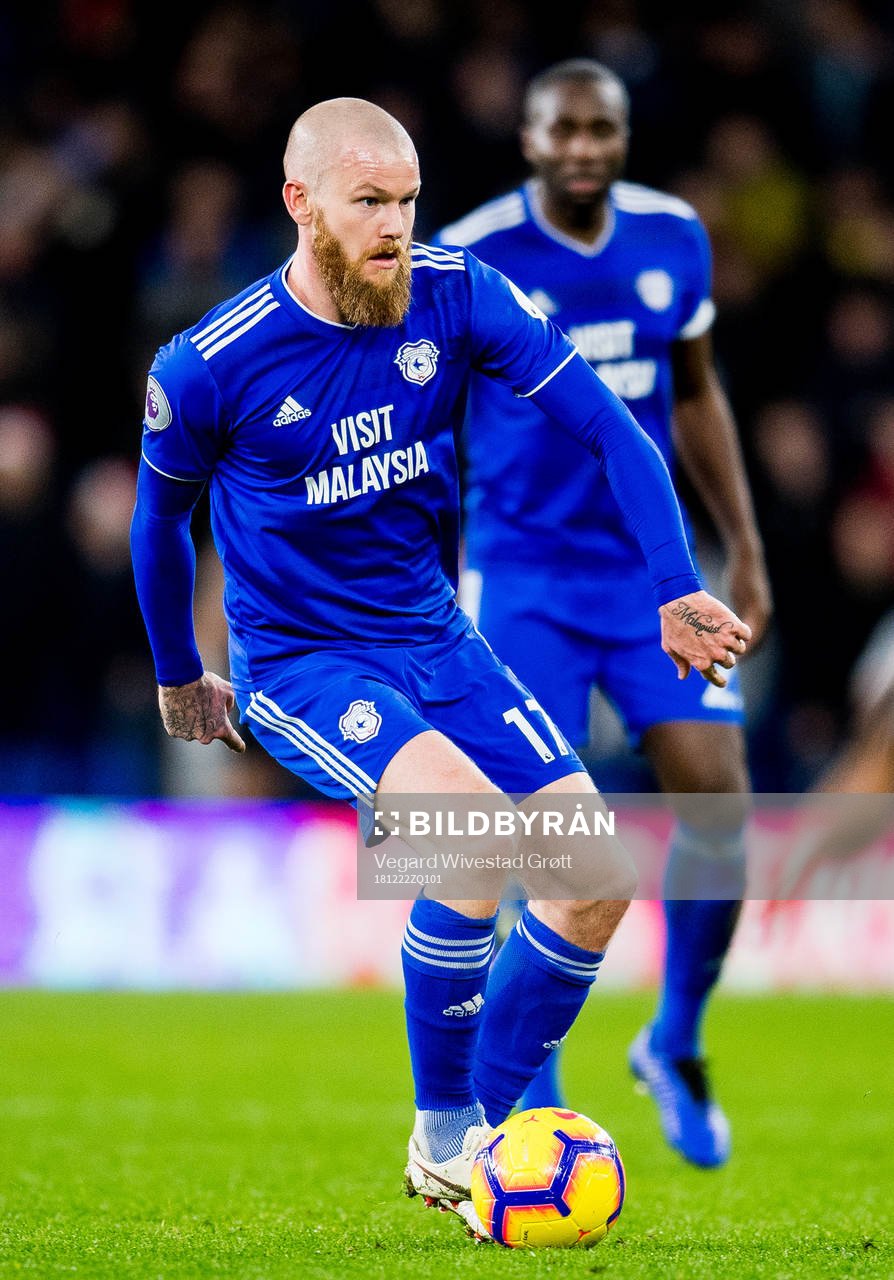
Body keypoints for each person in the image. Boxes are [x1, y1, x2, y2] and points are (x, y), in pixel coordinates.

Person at [130, 97, 751, 1236]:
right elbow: (158, 520)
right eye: (369, 200)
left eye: (409, 200)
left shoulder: (458, 293)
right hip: (307, 662)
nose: (396, 225)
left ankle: (481, 1137)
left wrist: (674, 582)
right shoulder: (212, 362)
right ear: (300, 202)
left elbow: (609, 426)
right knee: (470, 837)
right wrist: (180, 670)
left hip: (436, 637)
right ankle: (449, 1129)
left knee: (595, 878)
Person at [435, 60, 772, 1169]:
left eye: (602, 129)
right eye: (563, 130)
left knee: (720, 800)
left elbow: (697, 391)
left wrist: (744, 544)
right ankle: (536, 1102)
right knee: (545, 830)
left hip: (648, 577)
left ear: (623, 137)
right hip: (520, 576)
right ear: (528, 139)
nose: (583, 147)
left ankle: (674, 1039)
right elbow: (426, 415)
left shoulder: (674, 236)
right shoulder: (473, 253)